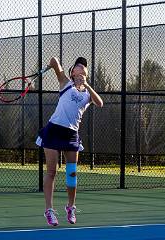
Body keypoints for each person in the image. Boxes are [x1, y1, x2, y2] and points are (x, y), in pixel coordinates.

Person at [36, 56, 103, 226]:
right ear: (73, 72)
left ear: (86, 73)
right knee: (52, 171)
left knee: (71, 173)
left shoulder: (88, 94)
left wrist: (86, 84)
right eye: (79, 65)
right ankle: (49, 211)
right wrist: (52, 64)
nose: (82, 67)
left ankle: (71, 207)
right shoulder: (65, 83)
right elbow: (54, 60)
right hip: (54, 131)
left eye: (84, 66)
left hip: (71, 135)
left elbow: (100, 103)